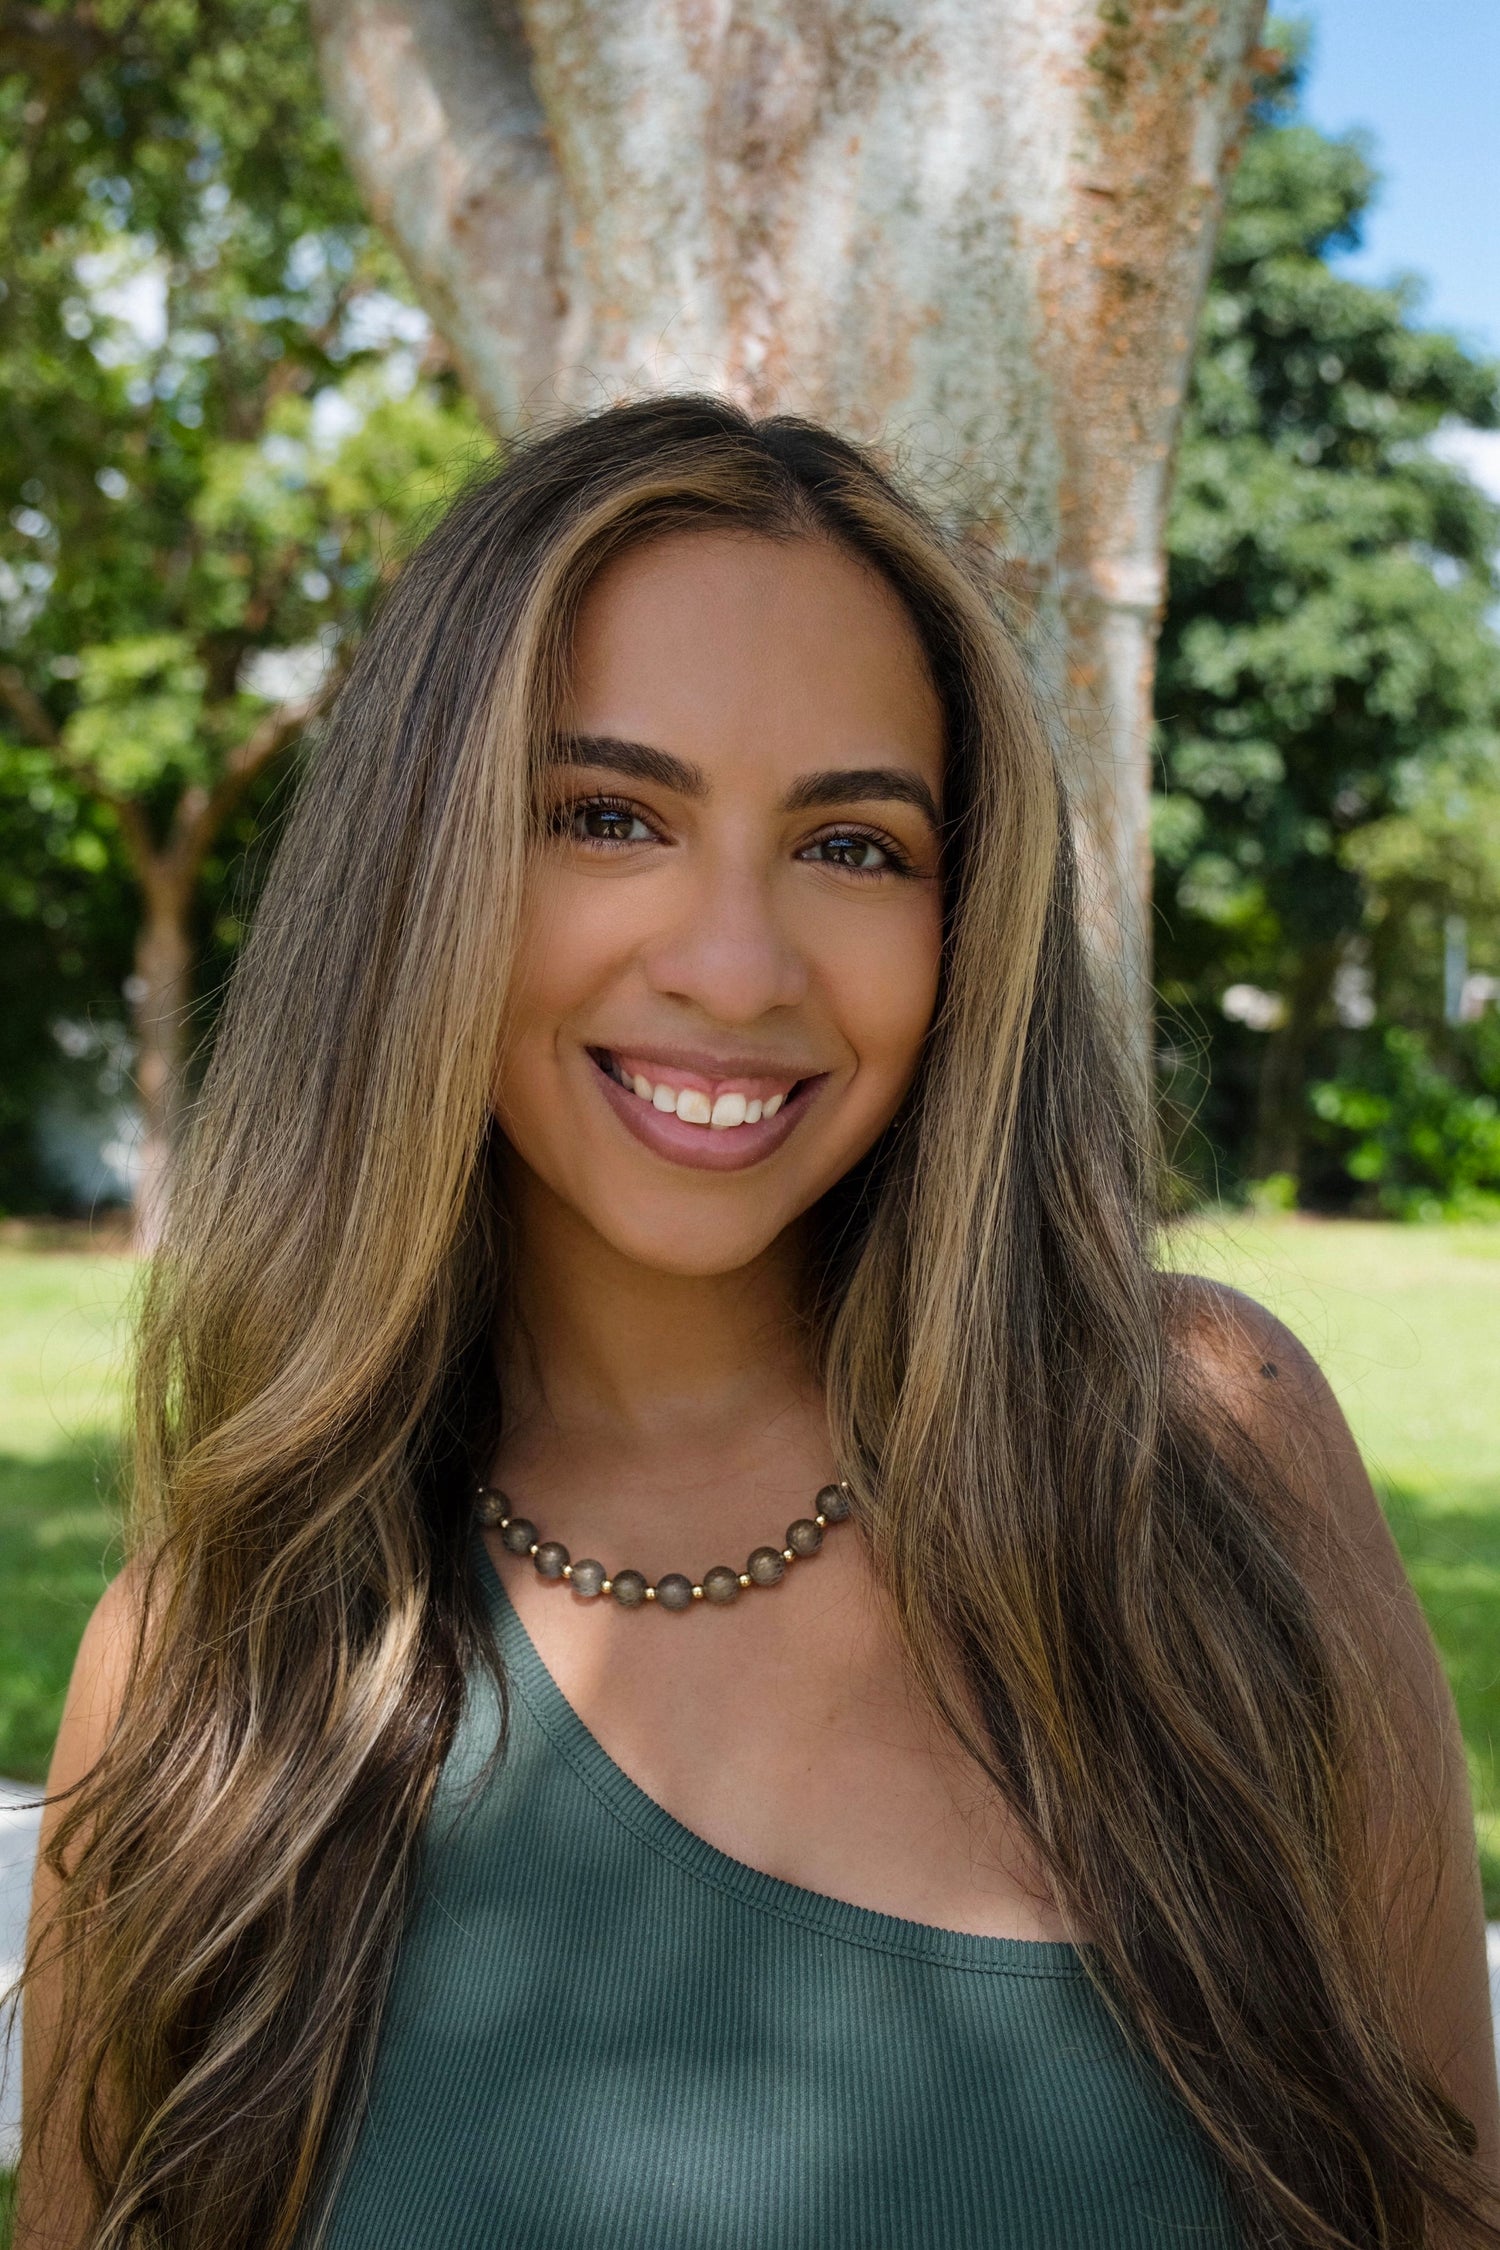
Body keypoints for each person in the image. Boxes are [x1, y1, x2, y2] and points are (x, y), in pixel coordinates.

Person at [15, 399, 1499, 2250]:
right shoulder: (211, 1667)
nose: (734, 966)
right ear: (419, 866)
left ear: (966, 923)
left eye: (853, 844)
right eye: (607, 817)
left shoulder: (1197, 1453)